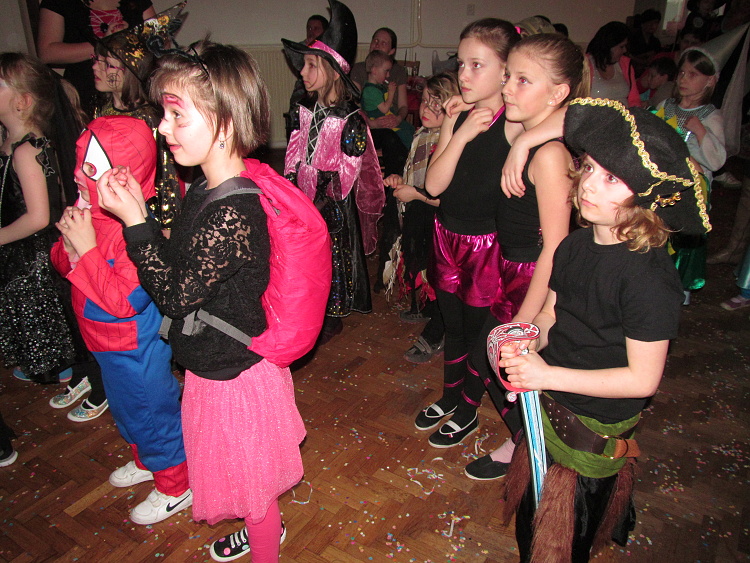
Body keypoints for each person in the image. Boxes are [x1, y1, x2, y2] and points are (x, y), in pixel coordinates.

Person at [96, 39, 304, 562]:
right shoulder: (204, 189)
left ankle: (265, 545)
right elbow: (179, 263)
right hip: (211, 368)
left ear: (224, 123)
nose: (163, 128)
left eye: (176, 115)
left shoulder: (231, 212)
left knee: (254, 490)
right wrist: (143, 212)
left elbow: (173, 295)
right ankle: (262, 527)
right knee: (242, 474)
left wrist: (135, 223)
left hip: (235, 379)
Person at [500, 97, 709, 562]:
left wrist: (546, 374)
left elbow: (642, 379)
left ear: (645, 196)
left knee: (563, 546)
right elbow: (551, 316)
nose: (590, 184)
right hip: (549, 406)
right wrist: (526, 345)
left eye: (612, 178)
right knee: (530, 529)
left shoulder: (648, 278)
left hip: (592, 421)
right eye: (590, 168)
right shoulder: (572, 248)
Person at [450, 33, 588, 479]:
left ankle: (534, 447)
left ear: (558, 93)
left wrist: (526, 321)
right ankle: (525, 441)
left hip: (533, 277)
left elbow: (556, 248)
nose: (507, 88)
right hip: (511, 271)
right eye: (508, 76)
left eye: (522, 80)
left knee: (497, 360)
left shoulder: (547, 155)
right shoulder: (529, 137)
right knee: (489, 361)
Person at [50, 116, 190, 525]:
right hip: (103, 345)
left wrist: (87, 251)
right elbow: (63, 264)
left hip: (133, 347)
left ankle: (176, 484)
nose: (77, 175)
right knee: (128, 414)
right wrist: (70, 249)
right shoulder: (89, 212)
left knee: (151, 415)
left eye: (90, 168)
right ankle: (147, 461)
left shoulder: (137, 231)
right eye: (79, 164)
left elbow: (124, 302)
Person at [50, 8, 187, 419]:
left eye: (107, 62)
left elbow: (166, 183)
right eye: (96, 59)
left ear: (127, 71)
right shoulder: (101, 111)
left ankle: (156, 381)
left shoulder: (147, 121)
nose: (95, 66)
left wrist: (160, 234)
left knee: (141, 320)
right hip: (103, 225)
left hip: (138, 227)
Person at [413, 18, 520, 446]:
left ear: (506, 71)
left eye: (477, 65)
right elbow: (434, 184)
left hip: (485, 246)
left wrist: (524, 145)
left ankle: (468, 408)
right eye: (461, 64)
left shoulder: (515, 121)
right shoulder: (458, 114)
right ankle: (450, 395)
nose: (464, 75)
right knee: (452, 326)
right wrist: (457, 131)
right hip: (446, 236)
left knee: (477, 334)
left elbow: (567, 113)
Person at [283, 0, 384, 344]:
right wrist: (291, 184)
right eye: (304, 65)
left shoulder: (350, 120)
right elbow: (294, 150)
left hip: (331, 205)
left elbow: (349, 170)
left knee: (332, 258)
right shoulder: (303, 109)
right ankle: (309, 303)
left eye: (311, 65)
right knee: (306, 256)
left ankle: (331, 313)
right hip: (304, 195)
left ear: (332, 70)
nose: (303, 72)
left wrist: (324, 197)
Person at [0, 52, 86, 385]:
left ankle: (57, 365)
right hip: (18, 244)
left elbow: (38, 216)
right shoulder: (11, 143)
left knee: (37, 307)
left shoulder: (27, 150)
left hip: (32, 251)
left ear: (22, 102)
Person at [383, 72, 460, 363]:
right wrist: (399, 180)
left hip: (440, 219)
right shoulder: (422, 135)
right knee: (421, 261)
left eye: (435, 104)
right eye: (425, 100)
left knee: (439, 272)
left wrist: (414, 194)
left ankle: (440, 329)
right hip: (420, 213)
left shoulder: (451, 144)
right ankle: (430, 306)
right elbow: (413, 176)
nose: (426, 108)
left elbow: (447, 197)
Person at [655, 47, 726, 303]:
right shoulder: (666, 106)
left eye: (693, 74)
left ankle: (678, 290)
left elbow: (717, 160)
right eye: (682, 73)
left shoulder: (710, 116)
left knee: (682, 239)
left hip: (691, 188)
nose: (684, 79)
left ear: (710, 80)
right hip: (662, 182)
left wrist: (700, 131)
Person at [36, 0, 156, 116]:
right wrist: (103, 43)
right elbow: (46, 53)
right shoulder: (60, 2)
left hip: (135, 89)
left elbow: (159, 42)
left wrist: (129, 38)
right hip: (85, 91)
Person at [350, 27, 410, 176]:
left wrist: (398, 119)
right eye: (375, 40)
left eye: (383, 43)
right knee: (390, 138)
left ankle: (405, 176)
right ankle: (393, 179)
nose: (377, 44)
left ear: (392, 51)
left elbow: (403, 106)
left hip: (392, 120)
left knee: (409, 133)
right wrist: (371, 123)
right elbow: (353, 105)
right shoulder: (358, 69)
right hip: (368, 124)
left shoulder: (398, 72)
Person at [361, 50, 415, 149]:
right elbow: (384, 109)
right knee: (403, 135)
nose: (388, 75)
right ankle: (405, 155)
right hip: (379, 122)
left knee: (410, 129)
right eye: (386, 71)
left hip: (388, 119)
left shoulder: (378, 87)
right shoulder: (370, 91)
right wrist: (391, 93)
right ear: (374, 70)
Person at [586, 21, 640, 107]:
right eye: (621, 47)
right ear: (609, 46)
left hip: (624, 114)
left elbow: (634, 100)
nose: (625, 50)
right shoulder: (586, 65)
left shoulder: (625, 64)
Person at [628, 9, 663, 75]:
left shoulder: (656, 42)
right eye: (649, 22)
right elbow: (629, 57)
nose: (652, 25)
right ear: (642, 23)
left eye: (655, 22)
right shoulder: (632, 38)